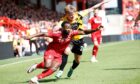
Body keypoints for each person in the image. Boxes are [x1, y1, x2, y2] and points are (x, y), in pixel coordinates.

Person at [26, 21, 102, 84]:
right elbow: (43, 34)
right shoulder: (56, 34)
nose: (69, 29)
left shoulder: (72, 33)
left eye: (69, 28)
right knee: (47, 65)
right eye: (67, 28)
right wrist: (31, 36)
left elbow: (84, 31)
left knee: (54, 68)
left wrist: (95, 29)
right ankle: (36, 66)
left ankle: (35, 79)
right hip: (51, 51)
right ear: (62, 29)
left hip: (59, 54)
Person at [55, 0, 110, 78]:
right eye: (69, 15)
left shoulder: (79, 14)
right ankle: (61, 71)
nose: (72, 16)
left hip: (80, 40)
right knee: (66, 51)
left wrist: (102, 3)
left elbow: (92, 8)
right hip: (70, 39)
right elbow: (57, 26)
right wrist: (55, 29)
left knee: (77, 61)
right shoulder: (63, 19)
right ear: (66, 14)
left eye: (72, 14)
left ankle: (71, 69)